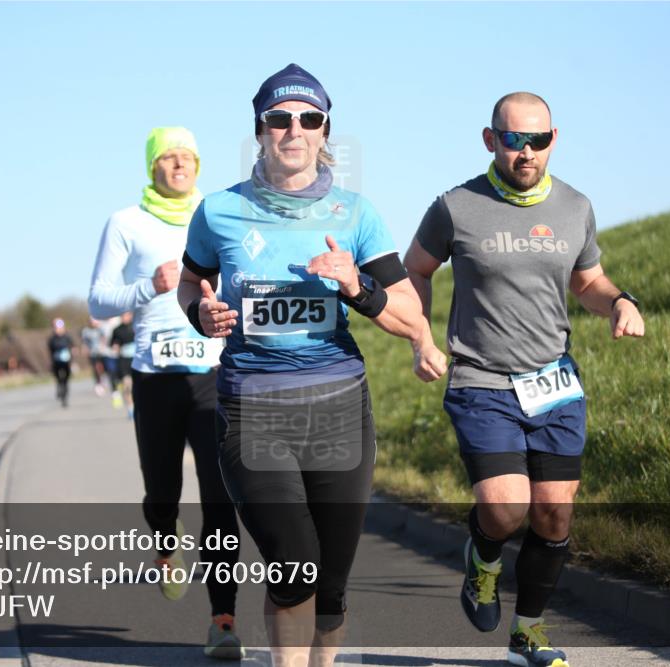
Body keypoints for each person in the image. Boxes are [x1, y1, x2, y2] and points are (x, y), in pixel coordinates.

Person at [177, 63, 446, 667]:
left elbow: (409, 314)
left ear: (325, 132)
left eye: (309, 119)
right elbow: (191, 283)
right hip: (253, 407)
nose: (293, 130)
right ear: (259, 131)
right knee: (295, 562)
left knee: (330, 586)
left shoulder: (355, 213)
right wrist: (201, 313)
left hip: (339, 409)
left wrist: (358, 288)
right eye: (278, 119)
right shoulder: (218, 212)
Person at [404, 91, 645, 667]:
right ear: (491, 140)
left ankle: (528, 634)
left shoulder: (574, 207)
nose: (527, 152)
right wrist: (422, 339)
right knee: (506, 509)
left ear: (553, 139)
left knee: (554, 514)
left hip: (555, 384)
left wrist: (620, 302)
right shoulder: (455, 206)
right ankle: (483, 557)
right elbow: (416, 268)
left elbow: (588, 281)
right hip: (482, 379)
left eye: (538, 140)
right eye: (514, 140)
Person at [87, 127, 244, 659]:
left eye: (188, 158)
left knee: (221, 499)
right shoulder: (125, 223)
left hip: (212, 373)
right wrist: (147, 287)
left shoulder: (219, 215)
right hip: (154, 376)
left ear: (199, 165)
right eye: (168, 158)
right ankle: (164, 535)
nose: (179, 166)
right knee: (162, 492)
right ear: (152, 166)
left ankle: (223, 620)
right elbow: (98, 299)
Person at [109, 311, 136, 418]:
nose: (125, 317)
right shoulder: (117, 330)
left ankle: (137, 405)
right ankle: (130, 408)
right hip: (124, 361)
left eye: (127, 315)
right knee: (127, 386)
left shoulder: (136, 326)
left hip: (137, 359)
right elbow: (113, 343)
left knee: (136, 386)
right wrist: (115, 346)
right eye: (123, 315)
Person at [47, 318, 74, 408]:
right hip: (56, 361)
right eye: (56, 328)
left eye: (60, 328)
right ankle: (59, 389)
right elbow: (50, 350)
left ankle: (65, 396)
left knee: (66, 379)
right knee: (58, 378)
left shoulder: (67, 337)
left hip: (66, 362)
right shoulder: (52, 339)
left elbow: (73, 347)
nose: (58, 330)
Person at [81, 318, 110, 396]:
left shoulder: (100, 329)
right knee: (95, 368)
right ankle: (98, 384)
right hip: (92, 353)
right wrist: (85, 349)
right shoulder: (86, 331)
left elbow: (104, 338)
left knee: (102, 367)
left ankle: (103, 380)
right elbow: (84, 342)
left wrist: (103, 346)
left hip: (101, 352)